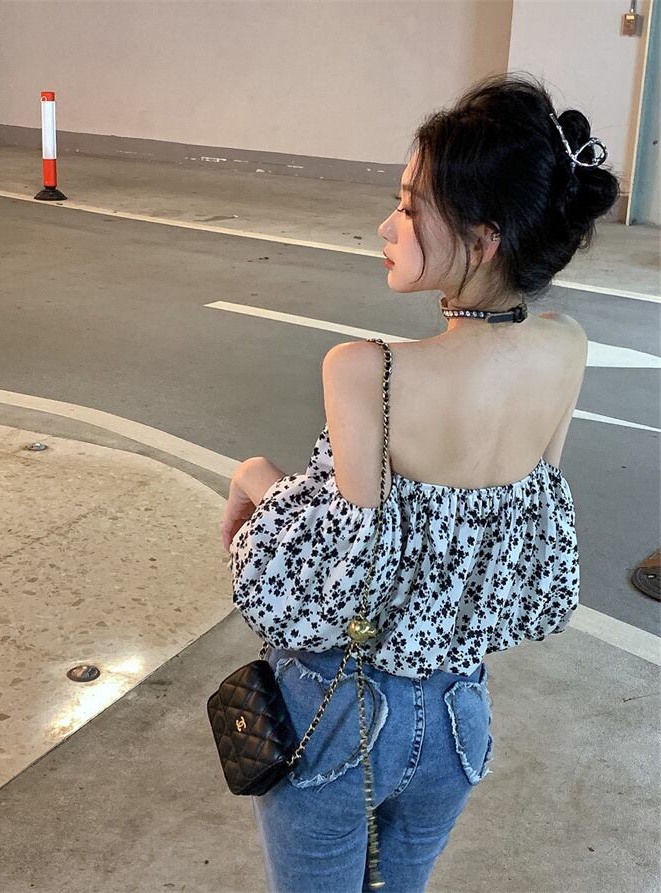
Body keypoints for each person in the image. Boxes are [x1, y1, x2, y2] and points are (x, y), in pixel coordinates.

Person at [221, 72, 620, 893]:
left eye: (409, 207)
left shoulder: (366, 370)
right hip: (458, 720)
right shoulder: (567, 346)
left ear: (482, 238)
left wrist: (255, 477)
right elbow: (528, 543)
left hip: (340, 717)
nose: (386, 224)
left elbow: (340, 581)